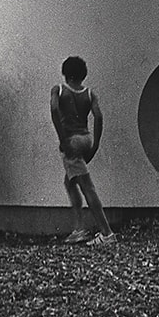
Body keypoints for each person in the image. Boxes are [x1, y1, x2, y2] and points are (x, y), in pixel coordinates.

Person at [50, 56, 115, 245]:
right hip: (86, 139)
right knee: (70, 182)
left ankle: (107, 233)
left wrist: (63, 139)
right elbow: (99, 117)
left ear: (65, 73)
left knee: (87, 187)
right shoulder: (89, 93)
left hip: (71, 141)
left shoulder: (59, 90)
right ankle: (79, 228)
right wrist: (95, 144)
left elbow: (54, 109)